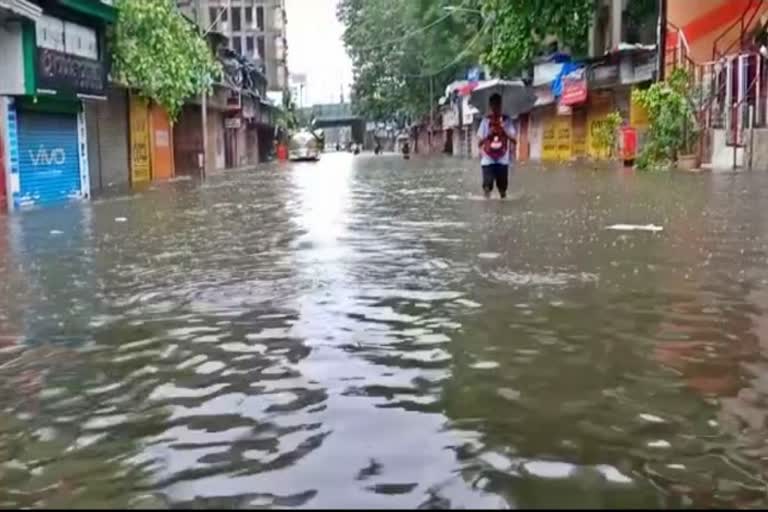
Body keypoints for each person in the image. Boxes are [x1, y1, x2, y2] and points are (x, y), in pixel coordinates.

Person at [477, 93, 517, 198]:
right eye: (493, 105)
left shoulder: (507, 120)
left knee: (502, 189)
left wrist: (504, 130)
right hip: (488, 159)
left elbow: (514, 140)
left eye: (498, 104)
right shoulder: (485, 121)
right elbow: (479, 143)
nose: (495, 107)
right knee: (487, 186)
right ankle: (487, 206)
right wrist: (489, 135)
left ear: (501, 105)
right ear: (490, 106)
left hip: (502, 159)